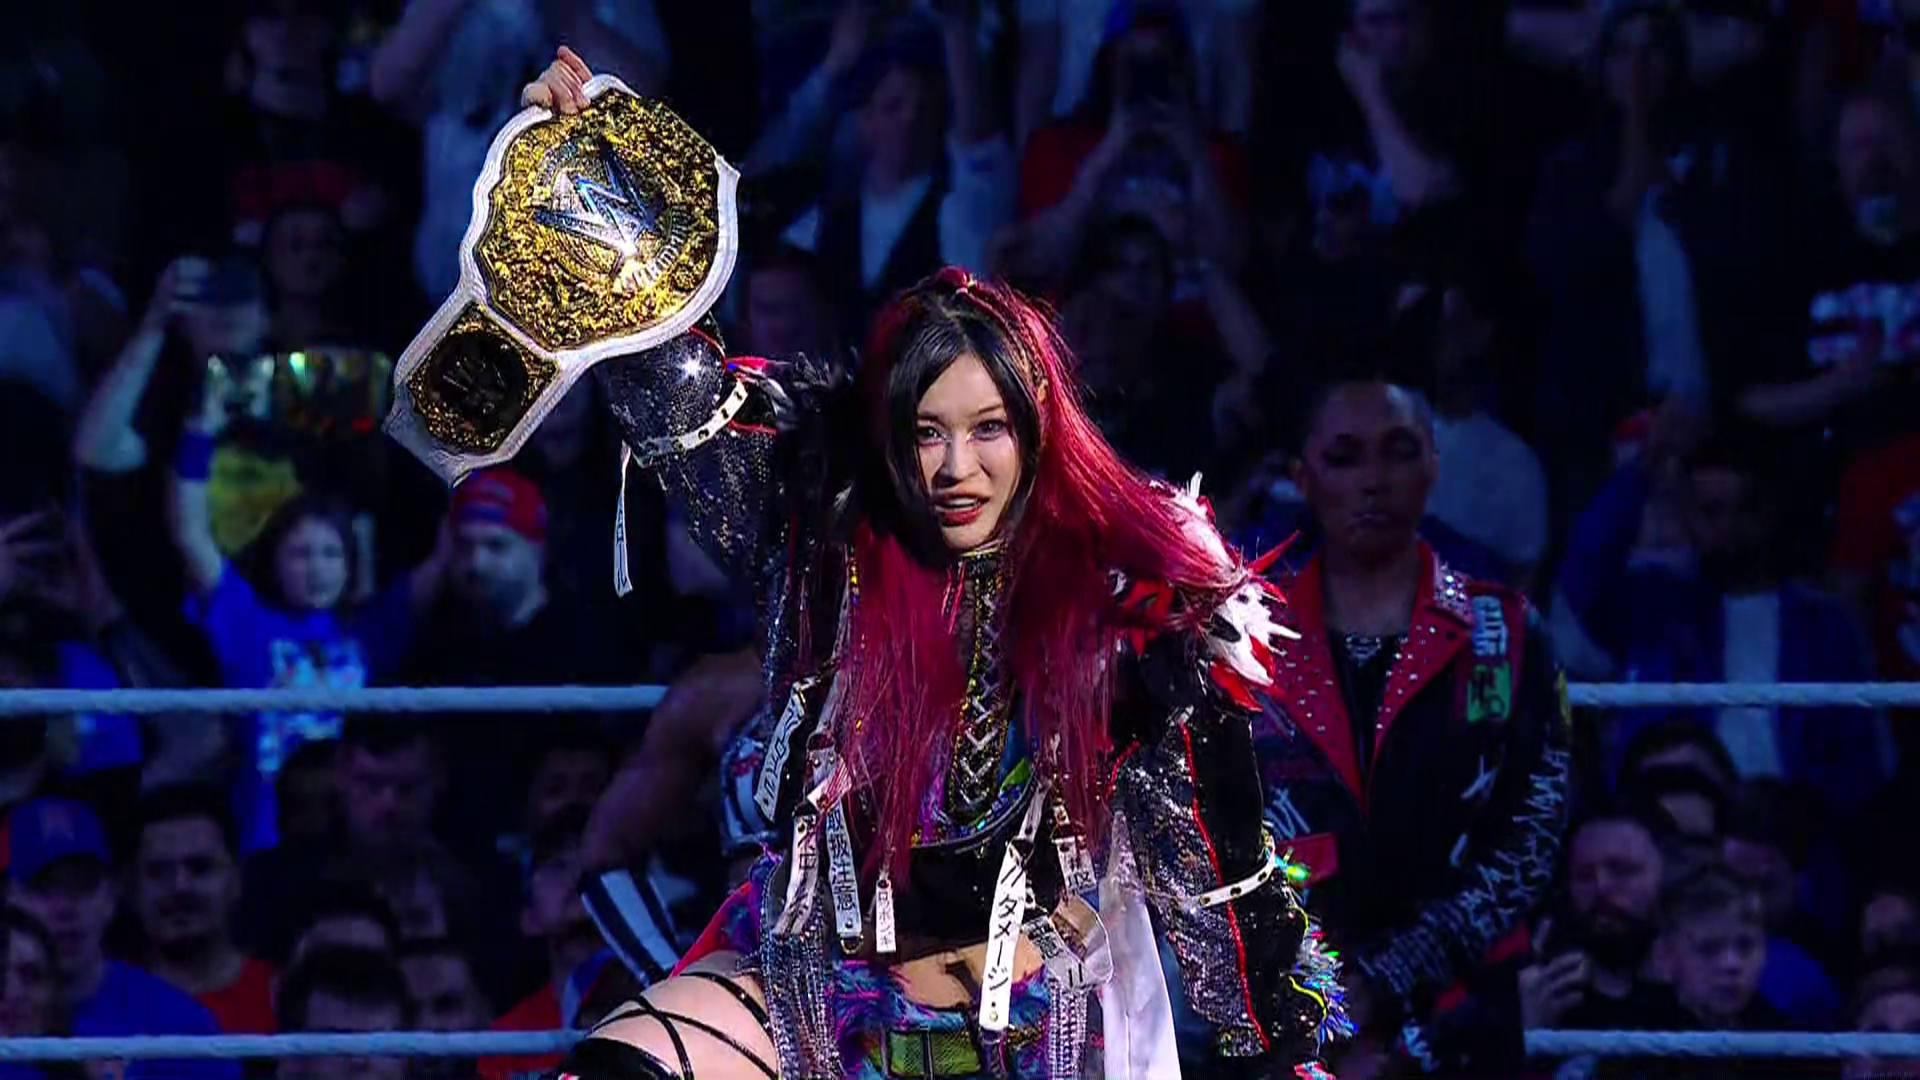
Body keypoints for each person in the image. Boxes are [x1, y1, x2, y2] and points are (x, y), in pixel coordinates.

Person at [415, 49, 1348, 1080]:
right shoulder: (820, 539)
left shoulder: (1129, 611)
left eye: (988, 430)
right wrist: (592, 181)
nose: (956, 468)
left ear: (1039, 434)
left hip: (1028, 1033)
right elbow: (684, 403)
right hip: (812, 993)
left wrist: (1285, 1054)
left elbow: (1222, 879)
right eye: (926, 432)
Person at [1249, 373, 1572, 1073]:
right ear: (1302, 477)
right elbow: (1217, 834)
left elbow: (1533, 837)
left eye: (1398, 452)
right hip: (1293, 1010)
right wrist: (1320, 987)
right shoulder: (1248, 637)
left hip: (1467, 1010)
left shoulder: (1506, 632)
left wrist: (1391, 974)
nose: (1374, 481)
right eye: (1345, 457)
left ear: (1433, 466)